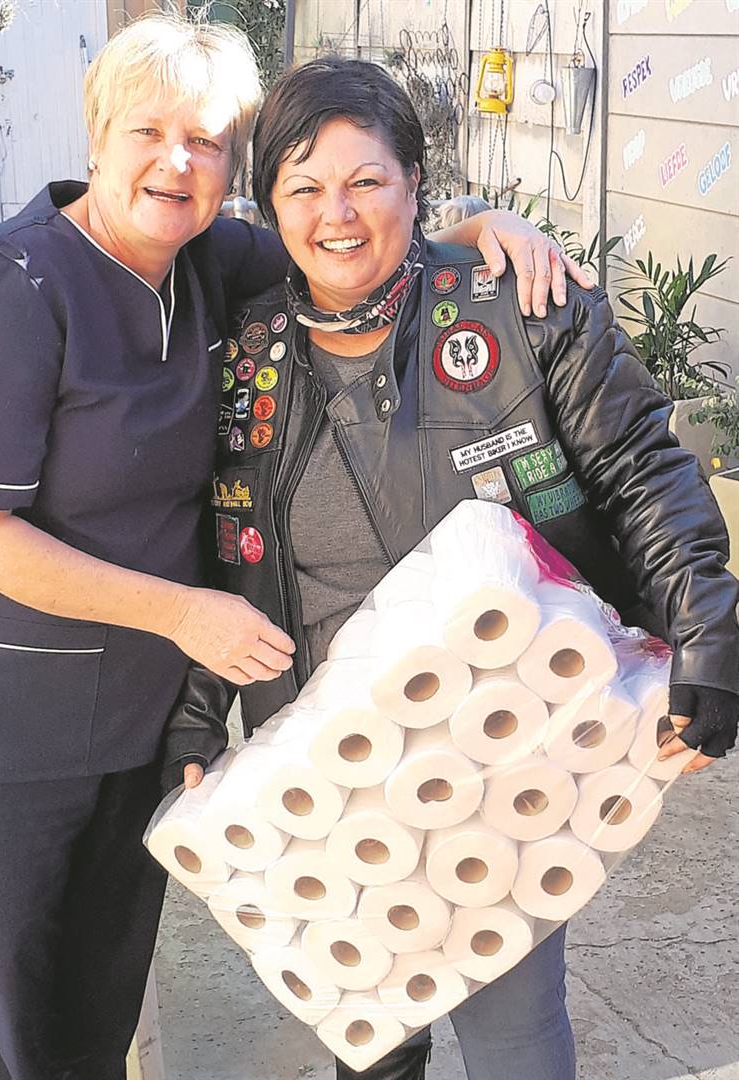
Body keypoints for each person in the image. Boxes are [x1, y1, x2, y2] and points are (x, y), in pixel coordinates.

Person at [0, 13, 581, 1080]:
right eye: (147, 131)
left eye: (207, 141)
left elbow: (350, 241)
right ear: (97, 136)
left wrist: (488, 226)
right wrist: (184, 613)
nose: (176, 162)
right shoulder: (10, 287)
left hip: (133, 713)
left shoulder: (210, 260)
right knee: (0, 1023)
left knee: (94, 1004)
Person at [164, 56, 739, 1080]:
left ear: (416, 185)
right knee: (370, 1030)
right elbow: (218, 549)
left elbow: (641, 468)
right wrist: (197, 715)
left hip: (506, 736)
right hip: (328, 759)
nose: (336, 215)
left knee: (510, 1024)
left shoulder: (522, 306)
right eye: (303, 187)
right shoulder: (244, 350)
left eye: (366, 181)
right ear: (269, 206)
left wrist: (706, 633)